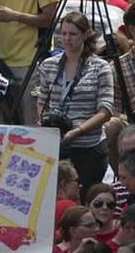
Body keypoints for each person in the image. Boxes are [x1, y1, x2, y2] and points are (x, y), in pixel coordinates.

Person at [34, 12, 114, 191]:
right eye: (64, 34)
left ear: (85, 35)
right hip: (56, 144)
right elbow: (41, 101)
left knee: (85, 196)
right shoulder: (48, 65)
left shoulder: (100, 67)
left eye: (73, 34)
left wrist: (77, 131)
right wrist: (42, 121)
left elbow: (106, 111)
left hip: (88, 147)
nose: (67, 38)